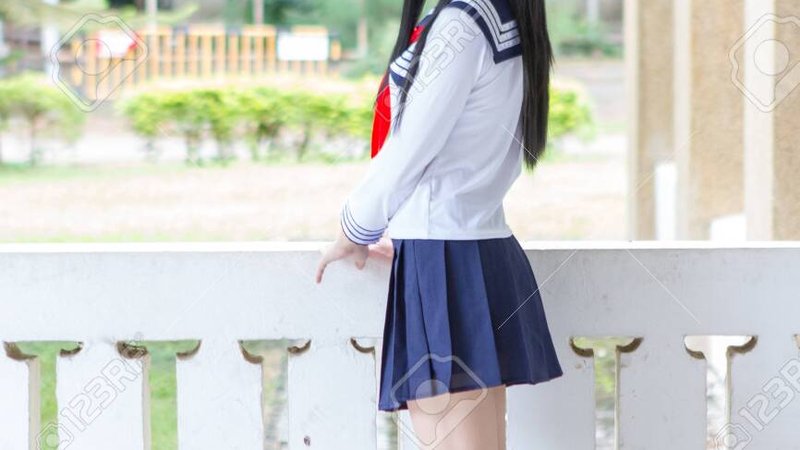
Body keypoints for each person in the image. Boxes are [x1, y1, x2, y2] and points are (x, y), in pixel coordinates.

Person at [316, 0, 563, 447]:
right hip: (478, 248)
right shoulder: (503, 17)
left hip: (443, 262)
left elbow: (410, 150)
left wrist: (354, 229)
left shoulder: (461, 24)